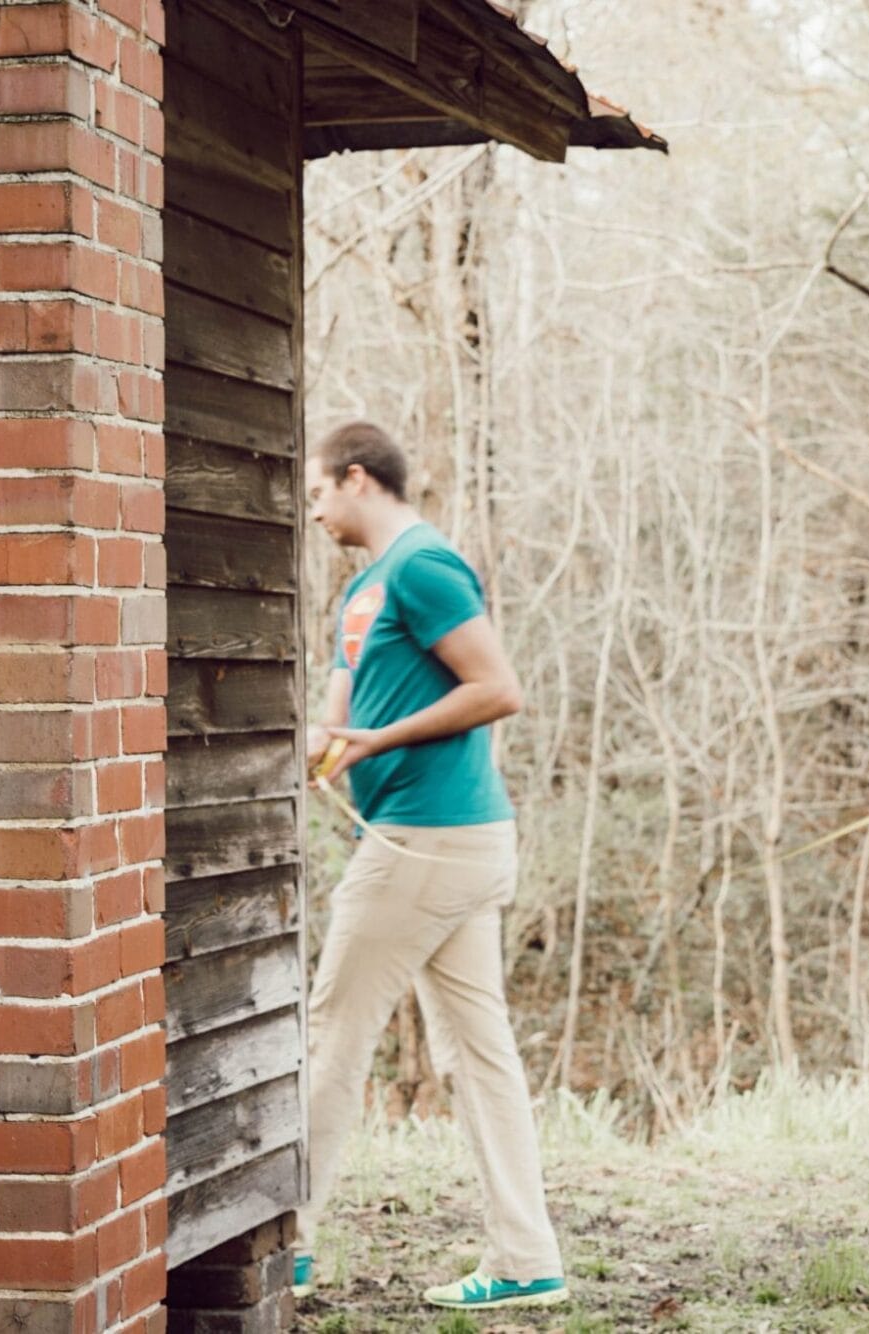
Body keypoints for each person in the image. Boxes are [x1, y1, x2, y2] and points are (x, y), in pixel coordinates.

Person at [292, 421, 568, 1312]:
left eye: (319, 494)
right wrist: (324, 746)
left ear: (359, 479)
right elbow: (340, 720)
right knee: (479, 1056)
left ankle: (285, 1242)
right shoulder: (366, 590)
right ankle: (527, 1260)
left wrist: (382, 739)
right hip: (449, 844)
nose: (315, 512)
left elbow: (498, 688)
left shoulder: (422, 566)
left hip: (428, 841)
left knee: (334, 1029)